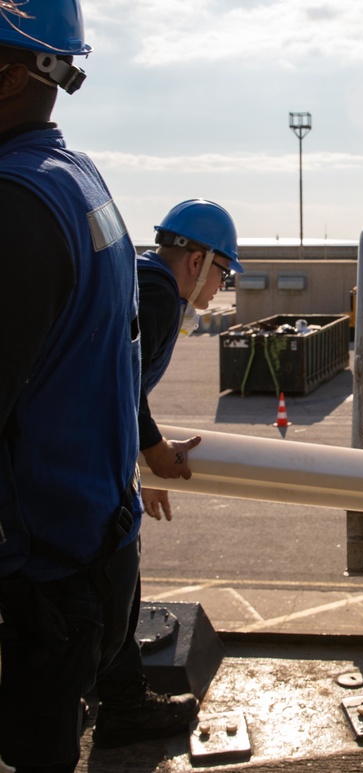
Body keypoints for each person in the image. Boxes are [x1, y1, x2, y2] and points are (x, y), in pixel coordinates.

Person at [0, 2, 142, 768]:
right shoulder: (74, 180)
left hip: (38, 585)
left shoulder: (13, 207)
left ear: (11, 75)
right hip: (94, 555)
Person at [91, 200, 244, 749]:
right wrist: (153, 454)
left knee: (106, 584)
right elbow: (116, 384)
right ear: (197, 260)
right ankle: (121, 713)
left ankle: (114, 702)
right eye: (222, 272)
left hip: (99, 458)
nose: (220, 286)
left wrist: (141, 456)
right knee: (108, 582)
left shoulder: (140, 283)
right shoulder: (156, 293)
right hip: (86, 469)